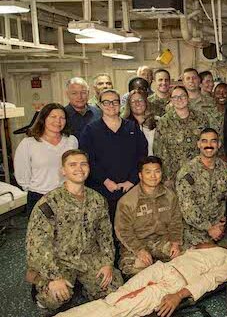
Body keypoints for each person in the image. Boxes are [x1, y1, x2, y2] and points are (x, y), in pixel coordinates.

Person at [26, 149, 123, 311]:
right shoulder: (49, 203)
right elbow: (37, 245)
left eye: (83, 164)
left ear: (89, 169)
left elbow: (105, 235)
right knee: (54, 298)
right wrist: (54, 277)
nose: (79, 168)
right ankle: (42, 290)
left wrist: (107, 263)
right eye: (72, 165)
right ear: (63, 171)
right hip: (59, 260)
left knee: (114, 287)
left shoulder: (97, 200)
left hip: (88, 257)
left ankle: (84, 285)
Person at [55, 244, 227, 317]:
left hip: (174, 284)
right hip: (162, 268)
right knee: (112, 300)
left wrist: (178, 296)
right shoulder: (211, 244)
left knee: (118, 310)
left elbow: (207, 281)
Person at [79, 89, 148, 220]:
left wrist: (131, 180)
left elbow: (142, 156)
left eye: (115, 102)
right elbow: (88, 160)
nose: (111, 105)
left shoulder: (132, 127)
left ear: (120, 104)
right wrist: (105, 181)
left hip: (130, 188)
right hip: (101, 189)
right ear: (99, 105)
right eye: (106, 102)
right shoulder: (90, 130)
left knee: (132, 226)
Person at [114, 156, 182, 276]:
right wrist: (139, 250)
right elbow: (123, 231)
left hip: (161, 241)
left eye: (157, 171)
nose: (153, 176)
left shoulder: (170, 196)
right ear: (140, 175)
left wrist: (175, 243)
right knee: (135, 270)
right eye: (148, 172)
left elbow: (175, 222)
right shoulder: (128, 201)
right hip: (137, 243)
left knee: (185, 257)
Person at [15, 103, 78, 214]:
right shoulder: (28, 143)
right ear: (43, 118)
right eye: (53, 117)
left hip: (67, 195)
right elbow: (22, 175)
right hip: (39, 197)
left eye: (62, 118)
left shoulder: (71, 141)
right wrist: (36, 189)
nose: (58, 121)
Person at [176, 128, 227, 248]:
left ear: (218, 144)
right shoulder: (187, 172)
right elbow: (188, 209)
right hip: (196, 233)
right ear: (198, 144)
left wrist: (223, 223)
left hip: (222, 231)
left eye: (213, 141)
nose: (209, 145)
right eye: (204, 141)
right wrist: (209, 227)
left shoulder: (226, 169)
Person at [154, 86, 209, 188]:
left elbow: (208, 145)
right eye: (175, 97)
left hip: (199, 171)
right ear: (171, 100)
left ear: (188, 98)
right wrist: (166, 177)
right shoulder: (164, 122)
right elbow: (159, 150)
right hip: (174, 175)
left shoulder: (202, 118)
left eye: (182, 96)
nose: (179, 99)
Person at [122, 89, 157, 155]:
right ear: (129, 105)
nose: (137, 103)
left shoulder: (157, 122)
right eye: (133, 101)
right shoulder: (124, 125)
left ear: (145, 102)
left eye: (140, 100)